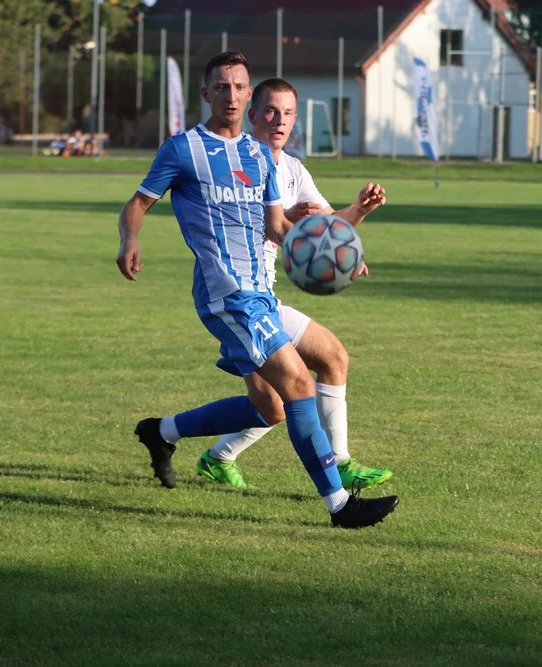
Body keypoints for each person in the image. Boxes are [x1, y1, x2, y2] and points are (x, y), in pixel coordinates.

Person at [115, 51, 399, 529]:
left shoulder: (257, 156)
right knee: (299, 384)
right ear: (206, 93)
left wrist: (334, 254)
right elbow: (138, 202)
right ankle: (339, 505)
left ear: (247, 93)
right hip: (226, 294)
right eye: (221, 87)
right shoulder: (183, 149)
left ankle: (161, 432)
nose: (230, 94)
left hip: (261, 293)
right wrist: (131, 238)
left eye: (238, 86)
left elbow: (278, 228)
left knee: (271, 407)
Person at [194, 77, 392, 492]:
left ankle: (211, 452)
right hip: (237, 298)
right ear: (252, 116)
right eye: (270, 111)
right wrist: (285, 219)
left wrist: (358, 213)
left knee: (325, 363)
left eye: (287, 114)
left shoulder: (293, 168)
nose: (279, 121)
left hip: (267, 298)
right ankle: (173, 436)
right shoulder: (235, 163)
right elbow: (240, 226)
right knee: (277, 402)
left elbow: (326, 225)